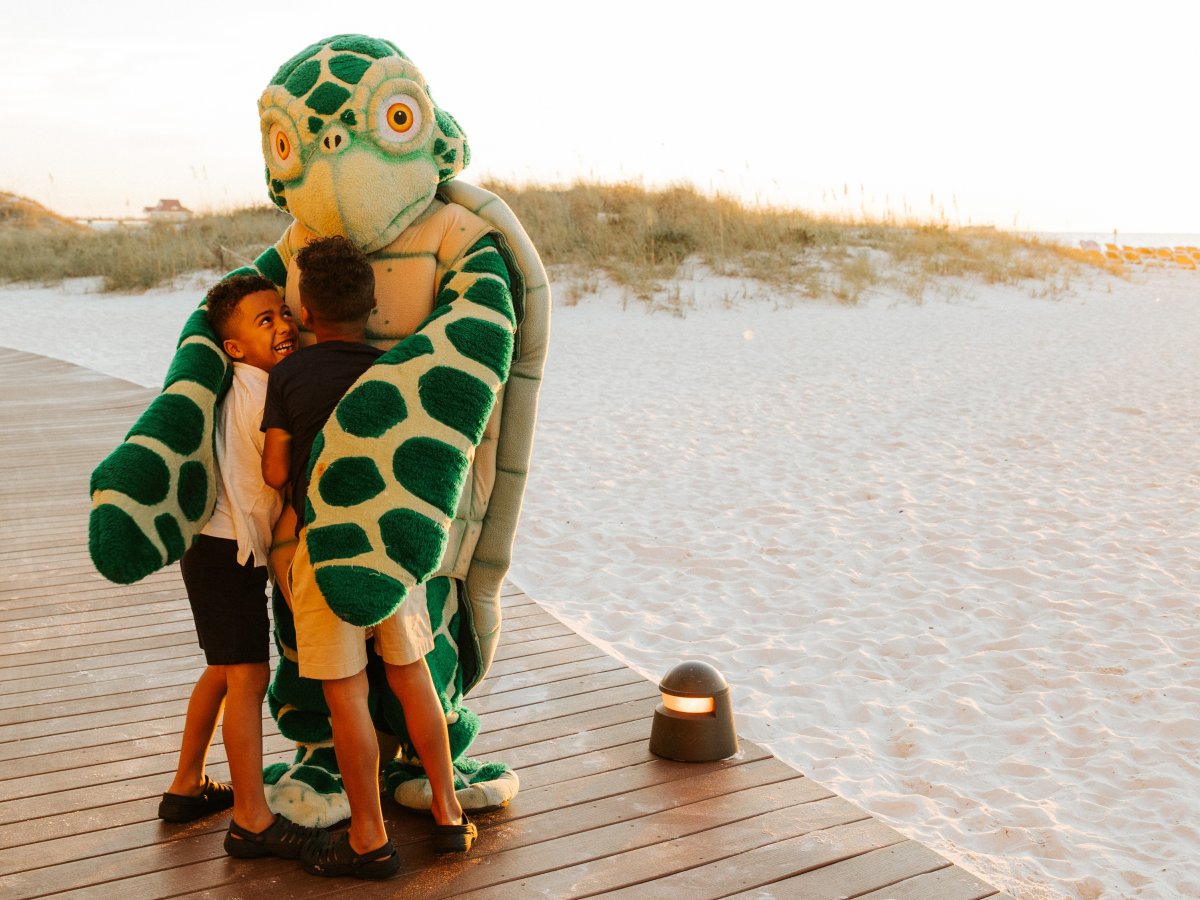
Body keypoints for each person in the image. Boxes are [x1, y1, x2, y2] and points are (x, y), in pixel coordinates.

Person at [260, 236, 475, 881]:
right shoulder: (390, 368)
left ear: (303, 307)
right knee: (413, 678)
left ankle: (369, 837)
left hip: (321, 553)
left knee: (345, 697)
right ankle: (447, 810)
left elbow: (274, 470)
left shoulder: (289, 374)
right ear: (372, 302)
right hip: (388, 550)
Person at [159, 274, 322, 862]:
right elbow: (262, 492)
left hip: (212, 548)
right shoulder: (259, 396)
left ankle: (187, 785)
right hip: (229, 551)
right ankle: (251, 820)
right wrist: (273, 559)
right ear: (233, 347)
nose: (283, 327)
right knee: (247, 678)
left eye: (283, 313)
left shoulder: (247, 381)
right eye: (264, 322)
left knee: (225, 671)